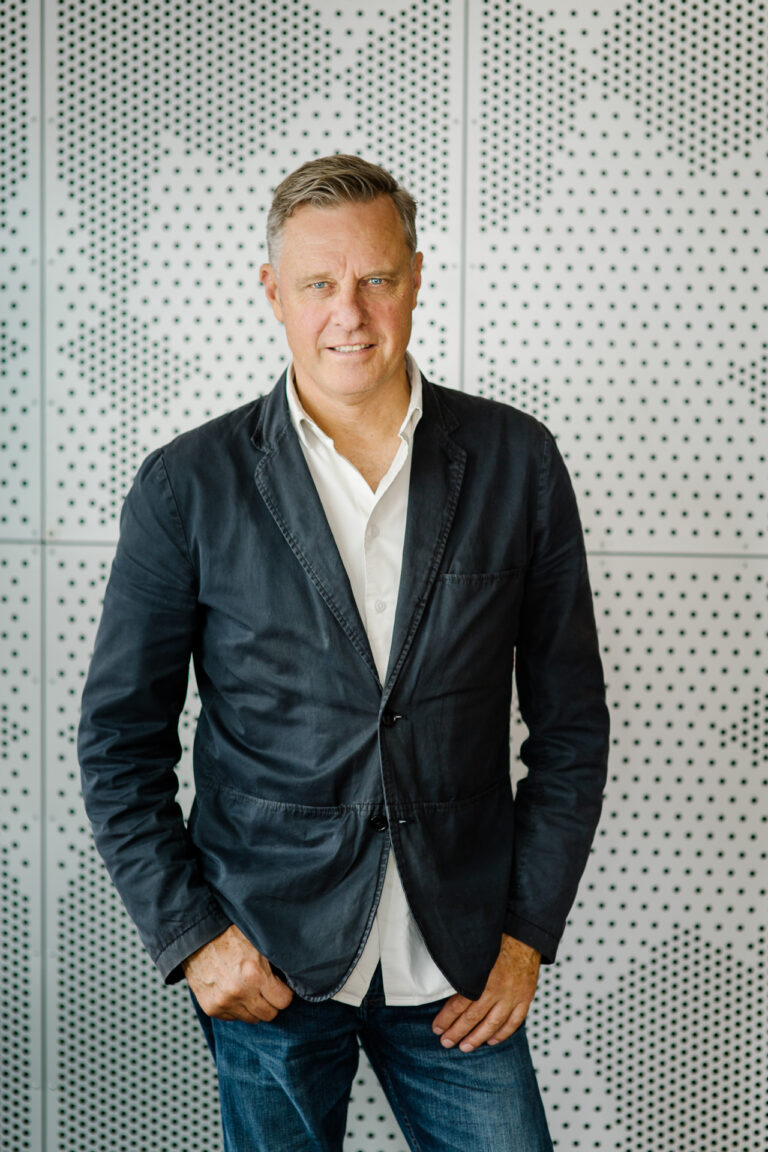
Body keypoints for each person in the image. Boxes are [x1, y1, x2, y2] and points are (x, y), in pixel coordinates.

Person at [79, 154, 609, 1151]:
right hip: (266, 959)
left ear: (416, 278)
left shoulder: (518, 462)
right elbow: (117, 743)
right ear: (273, 292)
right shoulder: (186, 486)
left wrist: (528, 935)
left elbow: (573, 728)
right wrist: (195, 940)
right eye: (319, 283)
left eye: (376, 279)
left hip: (460, 965)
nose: (349, 314)